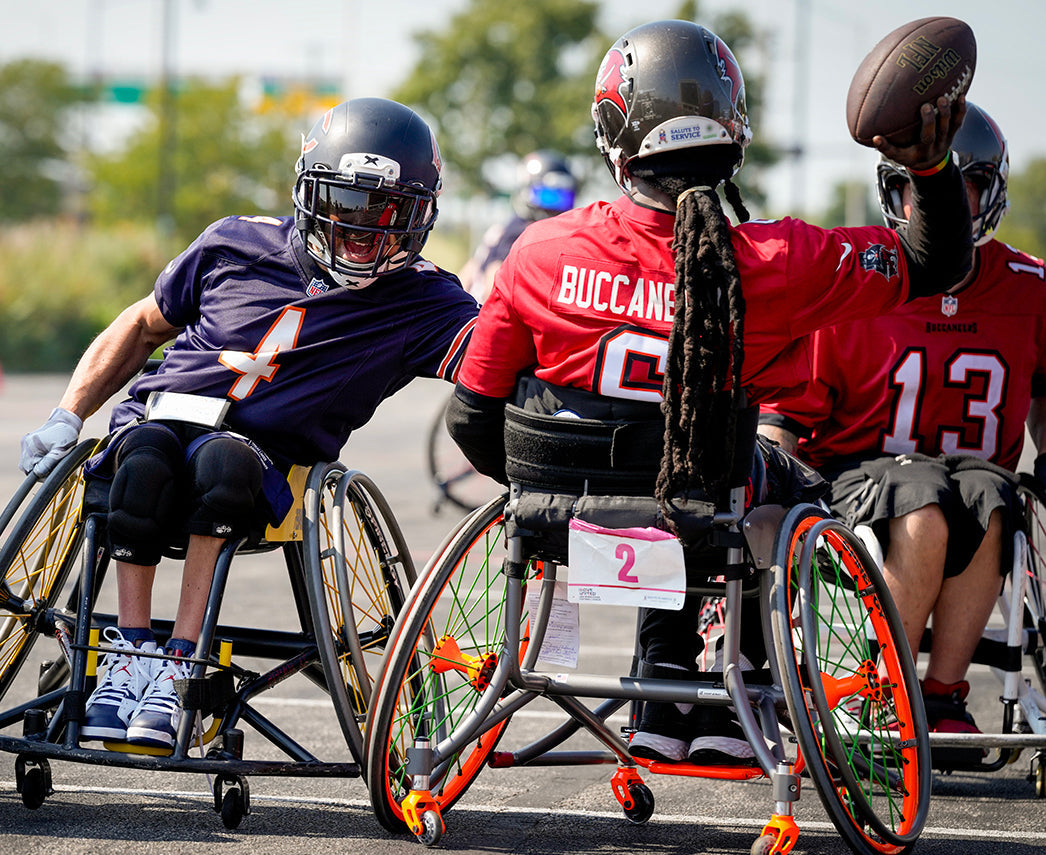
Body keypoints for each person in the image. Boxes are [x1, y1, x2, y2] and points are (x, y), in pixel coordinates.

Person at [444, 19, 973, 766]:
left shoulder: (539, 251)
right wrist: (932, 165)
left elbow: (472, 415)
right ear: (733, 128)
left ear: (612, 134)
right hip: (701, 499)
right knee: (767, 480)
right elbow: (936, 260)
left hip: (555, 507)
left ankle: (660, 670)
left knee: (686, 472)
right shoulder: (779, 260)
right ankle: (744, 674)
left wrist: (557, 490)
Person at [18, 97, 480, 749]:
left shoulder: (424, 298)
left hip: (260, 466)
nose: (363, 229)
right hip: (153, 432)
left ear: (420, 215)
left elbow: (499, 356)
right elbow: (140, 324)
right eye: (346, 203)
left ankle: (183, 660)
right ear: (309, 191)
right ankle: (131, 654)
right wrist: (69, 414)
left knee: (221, 461)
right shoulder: (233, 240)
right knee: (145, 452)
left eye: (387, 212)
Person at [758, 103, 1046, 768]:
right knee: (923, 494)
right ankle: (876, 692)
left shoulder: (1030, 288)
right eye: (920, 187)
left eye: (963, 187)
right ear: (894, 190)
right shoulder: (857, 279)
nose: (938, 204)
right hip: (858, 478)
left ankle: (942, 695)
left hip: (971, 484)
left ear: (992, 194)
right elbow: (788, 414)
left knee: (991, 493)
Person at [458, 150, 577, 301]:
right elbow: (495, 283)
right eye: (547, 196)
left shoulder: (504, 228)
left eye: (564, 198)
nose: (555, 207)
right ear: (527, 190)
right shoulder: (521, 232)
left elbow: (470, 271)